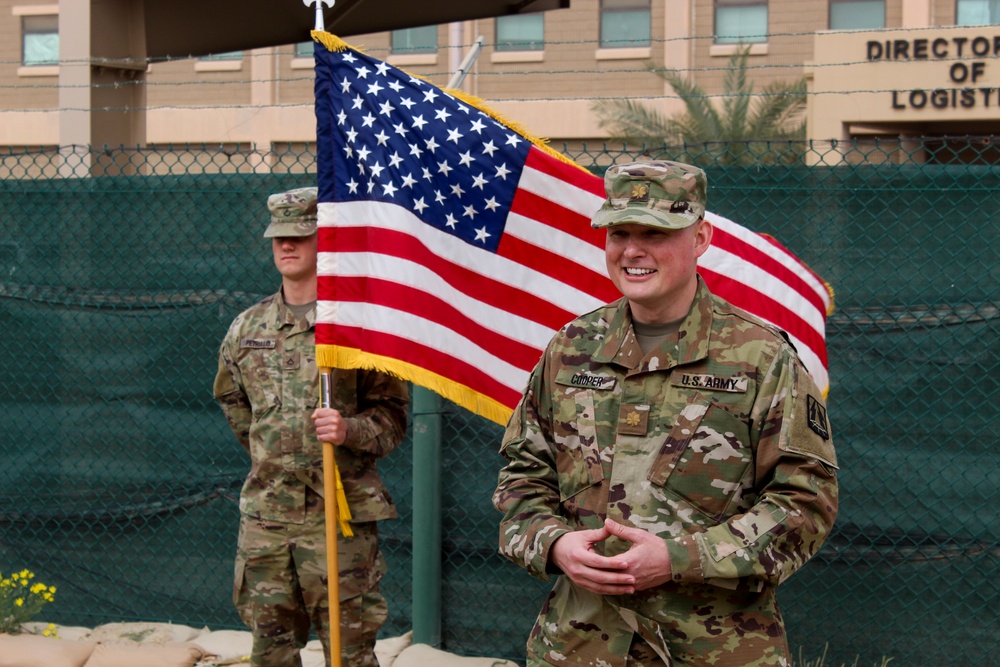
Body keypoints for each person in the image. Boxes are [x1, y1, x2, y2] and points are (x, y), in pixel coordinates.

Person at [493, 160, 838, 667]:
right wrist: (555, 544)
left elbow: (807, 503)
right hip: (580, 646)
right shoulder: (570, 349)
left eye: (655, 232)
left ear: (700, 238)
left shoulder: (760, 357)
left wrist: (680, 559)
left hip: (714, 647)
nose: (633, 250)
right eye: (620, 232)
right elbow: (523, 480)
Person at [213, 187, 410, 667]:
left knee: (350, 650)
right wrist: (272, 452)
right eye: (279, 236)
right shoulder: (248, 327)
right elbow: (233, 400)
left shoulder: (357, 327)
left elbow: (392, 417)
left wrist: (349, 431)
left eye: (300, 235)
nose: (287, 245)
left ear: (325, 241)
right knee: (270, 648)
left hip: (338, 515)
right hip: (268, 515)